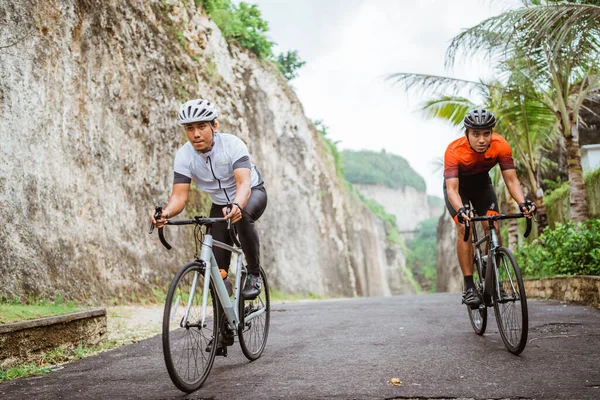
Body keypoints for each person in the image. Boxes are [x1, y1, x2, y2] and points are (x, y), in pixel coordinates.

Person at [151, 99, 268, 352]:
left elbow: (244, 185)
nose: (195, 134)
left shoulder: (233, 145)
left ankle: (255, 273)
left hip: (249, 194)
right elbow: (179, 197)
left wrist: (237, 205)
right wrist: (166, 213)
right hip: (219, 203)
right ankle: (224, 329)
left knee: (244, 216)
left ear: (214, 125)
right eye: (189, 128)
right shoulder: (184, 155)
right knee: (218, 271)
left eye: (201, 126)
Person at [443, 108, 535, 308]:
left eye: (486, 133)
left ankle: (491, 276)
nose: (482, 139)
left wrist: (523, 203)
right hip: (459, 190)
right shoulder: (454, 150)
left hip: (483, 186)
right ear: (467, 133)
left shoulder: (500, 145)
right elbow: (452, 190)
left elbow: (511, 181)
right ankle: (469, 287)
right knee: (463, 228)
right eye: (476, 134)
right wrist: (461, 210)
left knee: (492, 224)